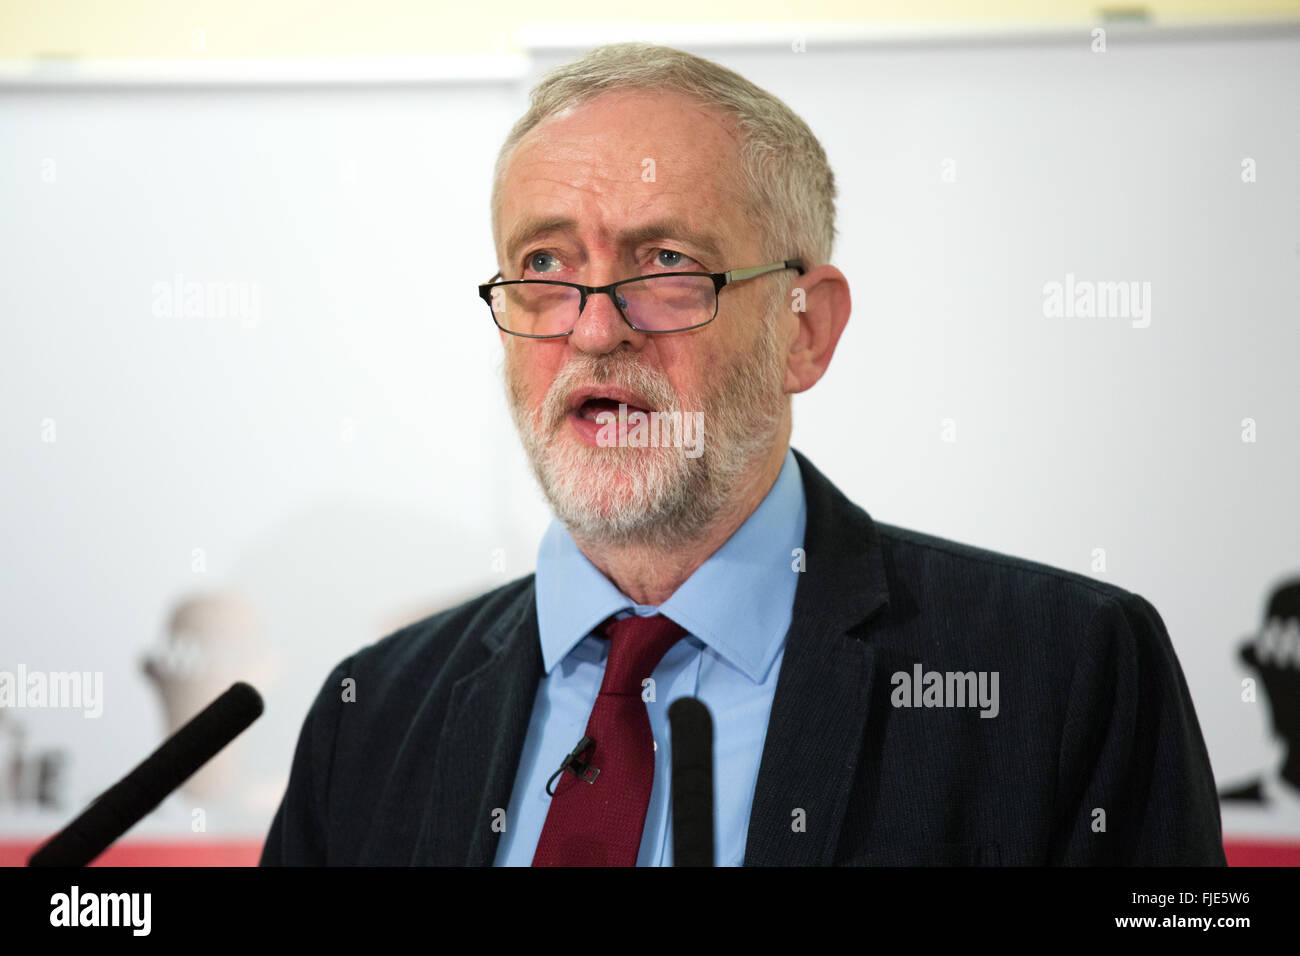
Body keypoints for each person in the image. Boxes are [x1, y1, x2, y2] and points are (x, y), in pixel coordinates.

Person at [261, 42, 1225, 866]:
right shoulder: (373, 715)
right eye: (546, 267)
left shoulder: (1066, 672)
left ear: (806, 330)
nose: (596, 332)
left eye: (667, 264)